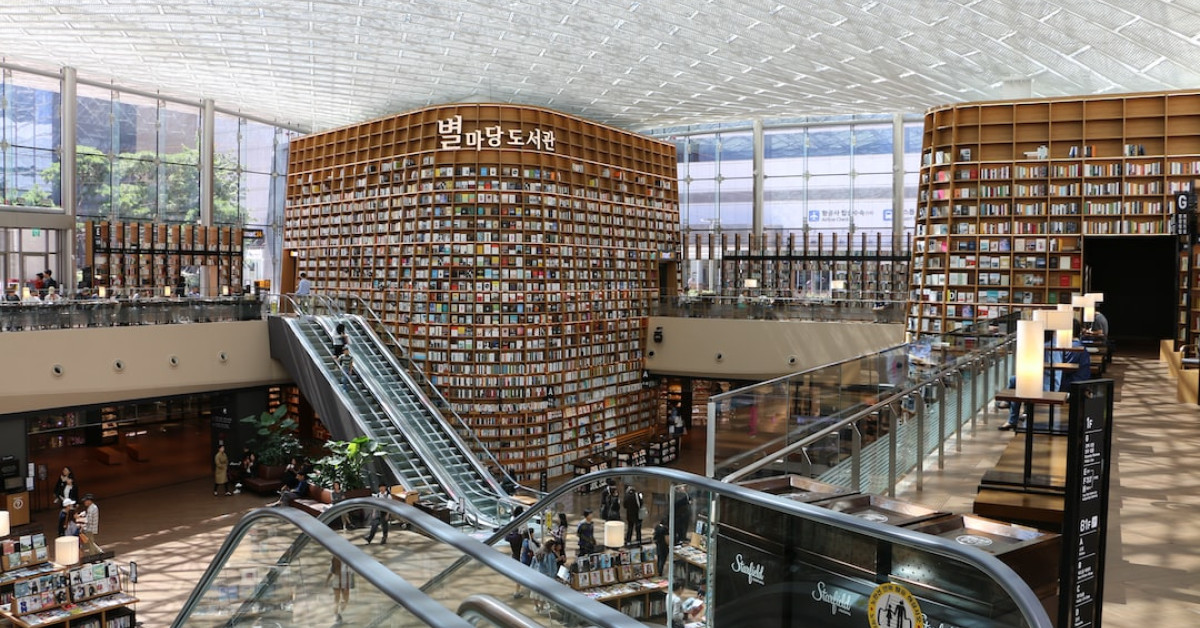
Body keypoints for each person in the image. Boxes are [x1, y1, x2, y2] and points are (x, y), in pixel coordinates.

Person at [325, 555, 353, 625]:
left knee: (339, 599)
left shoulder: (341, 559)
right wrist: (327, 581)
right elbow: (331, 570)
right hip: (342, 580)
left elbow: (331, 571)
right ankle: (338, 615)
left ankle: (338, 615)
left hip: (342, 580)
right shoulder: (341, 559)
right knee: (340, 599)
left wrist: (327, 581)